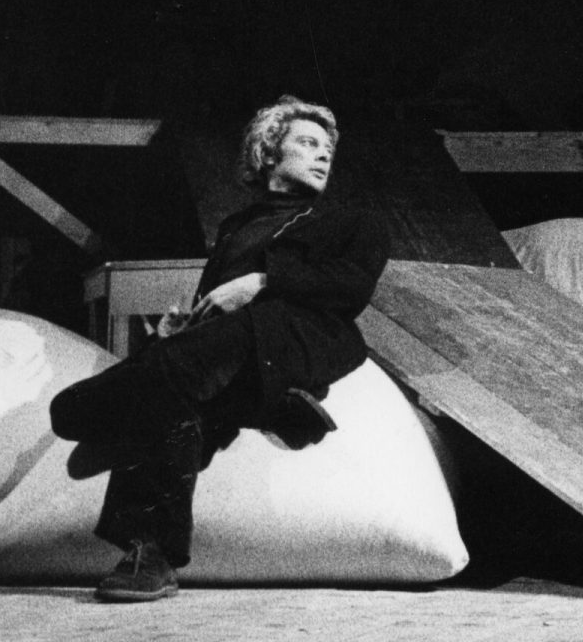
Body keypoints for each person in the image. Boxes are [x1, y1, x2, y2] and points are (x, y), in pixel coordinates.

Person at [50, 96, 390, 601]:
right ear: (268, 153)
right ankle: (151, 552)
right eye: (307, 142)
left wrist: (263, 281)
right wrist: (183, 325)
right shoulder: (236, 227)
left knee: (148, 382)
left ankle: (106, 432)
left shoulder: (352, 219)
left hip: (294, 337)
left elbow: (352, 286)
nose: (323, 155)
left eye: (327, 149)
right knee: (155, 394)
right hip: (224, 351)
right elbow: (215, 303)